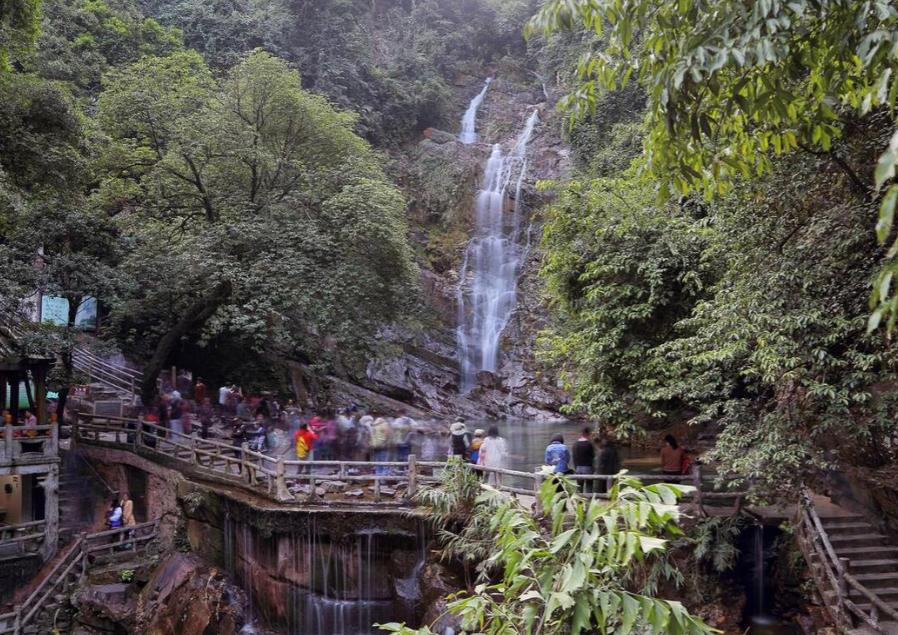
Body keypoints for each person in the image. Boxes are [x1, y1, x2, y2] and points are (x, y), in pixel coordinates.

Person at [572, 427, 596, 493]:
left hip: (578, 468)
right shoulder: (589, 444)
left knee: (579, 487)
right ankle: (589, 499)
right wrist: (594, 468)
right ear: (588, 434)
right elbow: (593, 456)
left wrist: (576, 468)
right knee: (589, 486)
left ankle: (579, 499)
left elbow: (574, 458)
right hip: (588, 468)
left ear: (581, 434)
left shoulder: (575, 444)